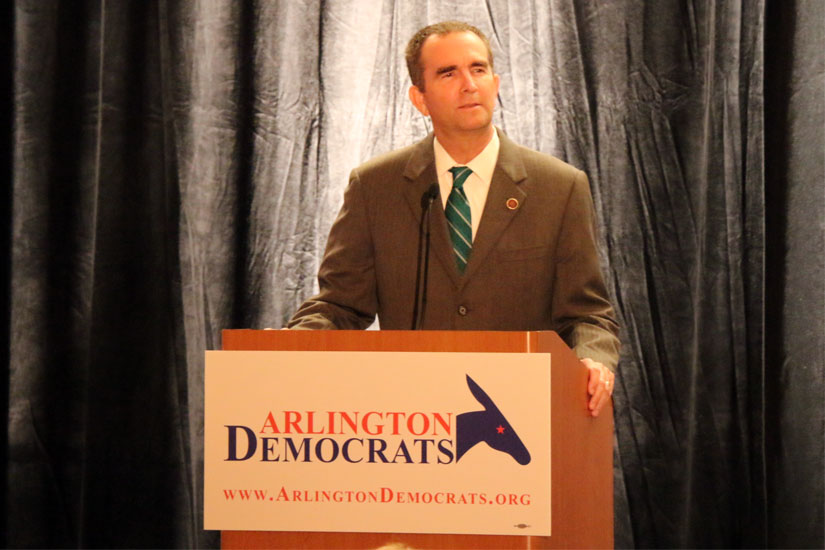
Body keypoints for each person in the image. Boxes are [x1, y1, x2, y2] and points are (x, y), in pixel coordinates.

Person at [288, 21, 620, 417]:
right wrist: (286, 347)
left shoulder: (559, 187)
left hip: (522, 415)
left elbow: (587, 314)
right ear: (419, 98)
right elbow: (340, 306)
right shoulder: (375, 187)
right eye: (448, 73)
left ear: (495, 83)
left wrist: (592, 359)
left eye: (478, 69)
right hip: (412, 422)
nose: (469, 84)